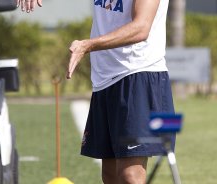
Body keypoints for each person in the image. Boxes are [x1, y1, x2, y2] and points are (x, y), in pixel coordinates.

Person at [67, 0, 175, 183]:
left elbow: (141, 28)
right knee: (110, 177)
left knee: (129, 176)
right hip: (104, 80)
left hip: (138, 75)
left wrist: (88, 45)